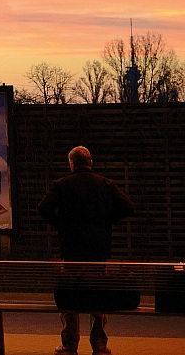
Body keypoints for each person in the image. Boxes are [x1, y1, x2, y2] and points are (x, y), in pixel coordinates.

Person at [37, 146, 135, 355]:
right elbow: (128, 207)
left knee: (70, 297)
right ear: (90, 162)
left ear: (71, 163)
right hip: (98, 249)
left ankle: (70, 344)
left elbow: (43, 208)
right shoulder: (105, 184)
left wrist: (61, 224)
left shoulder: (62, 185)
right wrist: (105, 222)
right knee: (98, 296)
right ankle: (99, 344)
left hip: (71, 249)